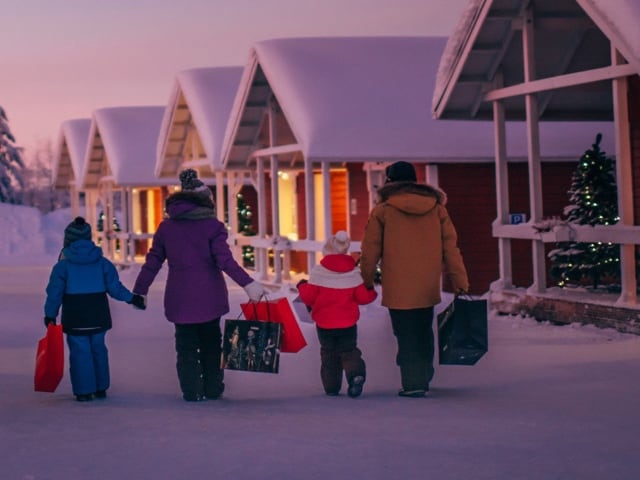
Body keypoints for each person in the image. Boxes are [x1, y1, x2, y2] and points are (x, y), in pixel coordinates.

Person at [132, 168, 265, 402]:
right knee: (211, 345)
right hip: (209, 298)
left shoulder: (167, 228)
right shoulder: (213, 227)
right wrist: (249, 284)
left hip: (179, 299)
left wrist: (140, 290)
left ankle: (192, 391)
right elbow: (225, 261)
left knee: (185, 348)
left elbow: (152, 262)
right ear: (206, 200)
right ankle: (213, 389)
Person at [359, 161, 469, 398]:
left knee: (406, 333)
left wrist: (366, 279)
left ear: (390, 181)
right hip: (427, 283)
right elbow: (450, 248)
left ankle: (413, 382)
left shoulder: (383, 210)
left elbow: (370, 249)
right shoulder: (437, 208)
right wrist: (460, 281)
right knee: (422, 329)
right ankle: (423, 372)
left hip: (398, 285)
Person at [43, 216, 146, 402]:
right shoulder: (103, 263)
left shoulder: (62, 267)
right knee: (98, 348)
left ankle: (84, 391)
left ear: (68, 240)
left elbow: (54, 293)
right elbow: (115, 288)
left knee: (80, 351)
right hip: (98, 313)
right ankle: (100, 387)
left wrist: (50, 314)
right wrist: (133, 298)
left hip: (75, 314)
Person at [297, 231, 377, 398]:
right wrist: (372, 292)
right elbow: (363, 298)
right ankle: (355, 374)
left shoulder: (319, 272)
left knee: (328, 354)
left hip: (324, 324)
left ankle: (331, 387)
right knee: (349, 350)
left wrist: (301, 286)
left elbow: (308, 297)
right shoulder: (353, 273)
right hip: (348, 324)